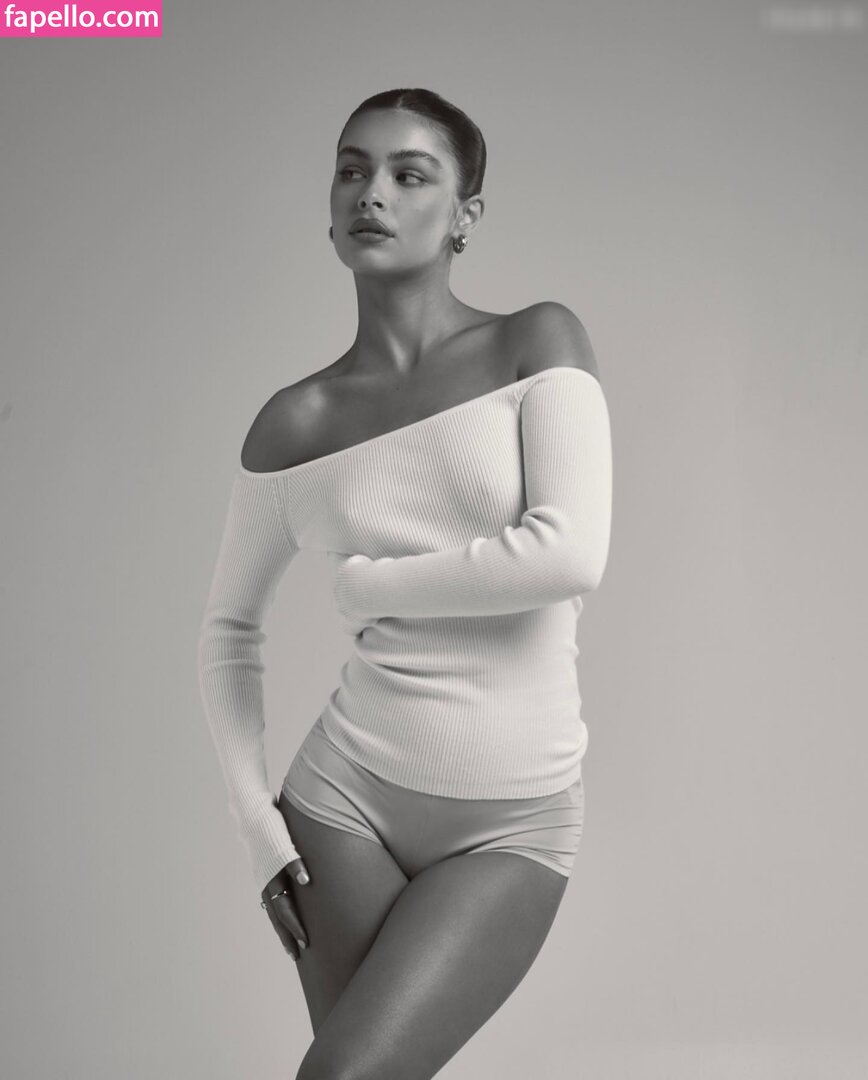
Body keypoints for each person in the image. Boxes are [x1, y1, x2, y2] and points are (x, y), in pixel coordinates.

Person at [197, 87, 613, 1078]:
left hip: (513, 819)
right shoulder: (296, 422)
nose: (371, 192)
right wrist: (256, 825)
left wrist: (370, 589)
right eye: (352, 169)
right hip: (341, 806)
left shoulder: (533, 343)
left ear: (466, 212)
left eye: (408, 173)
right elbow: (227, 632)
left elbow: (568, 556)